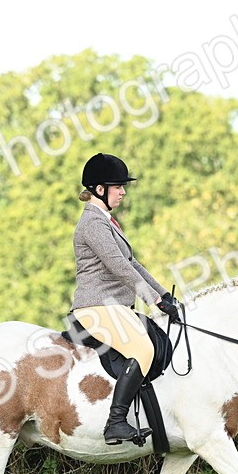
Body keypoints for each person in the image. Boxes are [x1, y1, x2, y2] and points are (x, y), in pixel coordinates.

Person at [71, 152, 181, 445]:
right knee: (143, 350)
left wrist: (163, 294)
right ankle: (116, 422)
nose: (123, 192)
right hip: (96, 308)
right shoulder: (93, 223)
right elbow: (118, 267)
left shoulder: (108, 221)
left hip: (115, 307)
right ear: (99, 189)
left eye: (122, 186)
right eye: (117, 186)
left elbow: (133, 263)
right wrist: (153, 301)